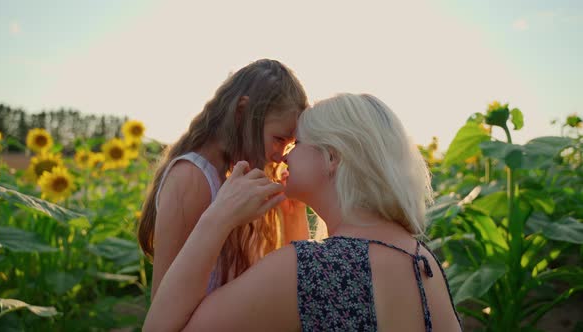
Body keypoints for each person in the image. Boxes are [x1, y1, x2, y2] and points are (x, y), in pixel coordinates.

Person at [143, 93, 463, 331]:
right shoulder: (420, 258)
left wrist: (217, 218)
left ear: (331, 158)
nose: (285, 157)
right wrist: (297, 217)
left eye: (298, 143)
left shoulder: (311, 269)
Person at [137, 59, 311, 299]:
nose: (281, 155)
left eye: (290, 144)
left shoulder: (236, 177)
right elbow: (164, 304)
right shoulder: (192, 178)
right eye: (278, 139)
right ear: (242, 113)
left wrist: (293, 213)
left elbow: (290, 281)